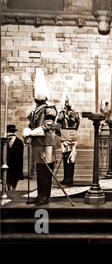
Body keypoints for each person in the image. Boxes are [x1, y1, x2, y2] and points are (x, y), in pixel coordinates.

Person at [23, 69, 58, 206]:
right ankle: (39, 195)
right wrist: (27, 132)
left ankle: (45, 196)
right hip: (37, 143)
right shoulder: (34, 110)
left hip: (46, 143)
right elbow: (32, 125)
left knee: (45, 170)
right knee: (39, 170)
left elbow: (47, 125)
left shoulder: (50, 108)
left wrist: (31, 133)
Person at [57, 94, 80, 186]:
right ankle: (70, 178)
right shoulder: (76, 113)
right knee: (71, 158)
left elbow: (58, 125)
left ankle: (67, 178)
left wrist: (59, 133)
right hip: (73, 135)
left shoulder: (61, 113)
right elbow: (77, 125)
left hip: (65, 135)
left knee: (66, 157)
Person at [6, 125, 24, 191]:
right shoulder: (3, 142)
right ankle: (8, 190)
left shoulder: (19, 142)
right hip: (6, 164)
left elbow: (20, 156)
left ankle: (13, 190)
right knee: (6, 179)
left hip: (15, 165)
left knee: (14, 180)